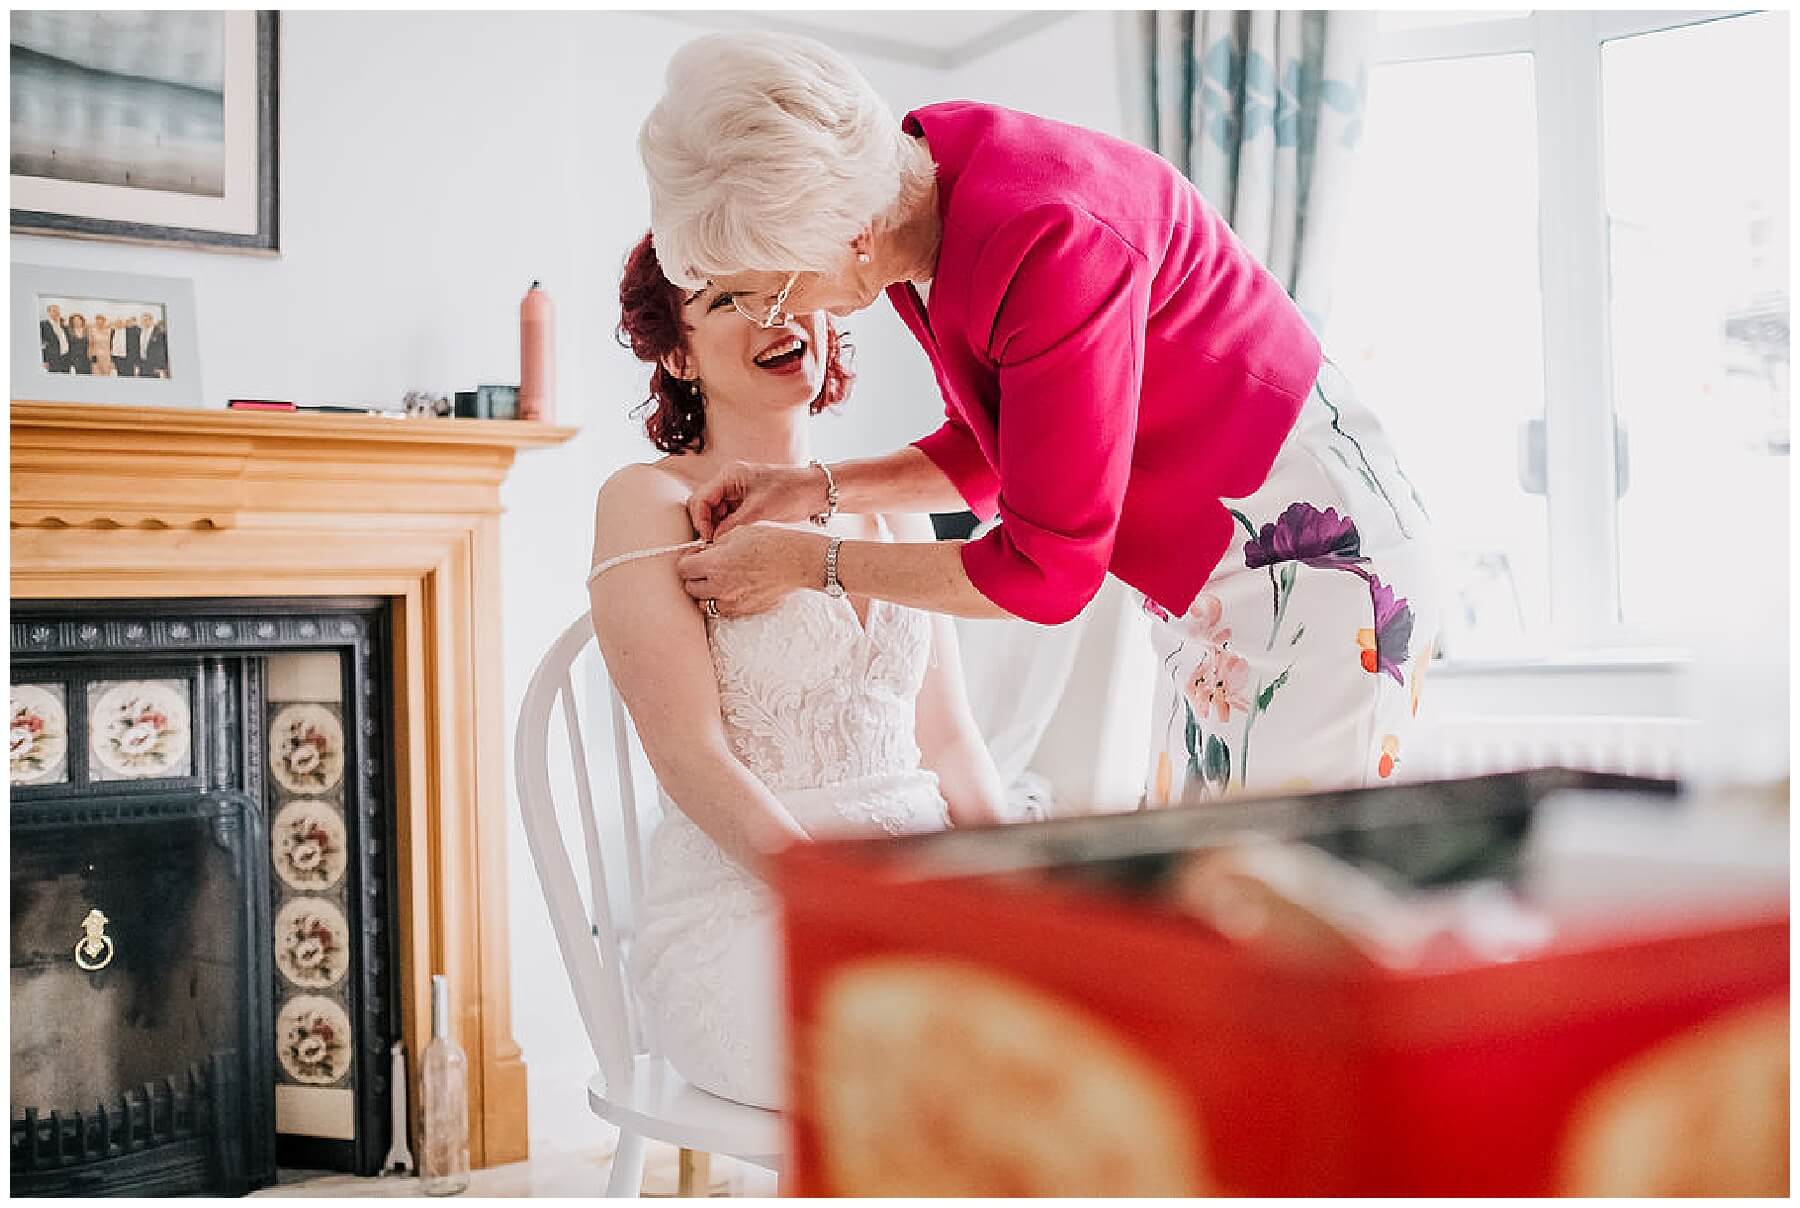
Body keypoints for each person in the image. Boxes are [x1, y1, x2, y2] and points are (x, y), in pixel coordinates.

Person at [637, 33, 1439, 803]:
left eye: (767, 292)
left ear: (849, 235)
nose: (776, 316)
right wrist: (806, 489)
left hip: (1314, 568)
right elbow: (993, 453)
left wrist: (807, 562)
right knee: (1199, 899)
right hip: (1211, 582)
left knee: (1275, 905)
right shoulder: (923, 193)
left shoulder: (1051, 239)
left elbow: (1046, 577)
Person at [586, 231, 1010, 1108]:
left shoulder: (894, 501)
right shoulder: (649, 502)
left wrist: (1030, 886)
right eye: (729, 302)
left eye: (782, 291)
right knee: (952, 1060)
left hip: (921, 892)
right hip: (751, 910)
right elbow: (689, 756)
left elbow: (950, 742)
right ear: (676, 352)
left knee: (1107, 1018)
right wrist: (847, 909)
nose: (772, 320)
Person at [39, 305, 70, 373]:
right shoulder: (43, 325)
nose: (57, 313)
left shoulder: (63, 325)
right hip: (53, 359)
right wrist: (44, 360)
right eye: (54, 311)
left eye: (58, 311)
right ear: (49, 312)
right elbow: (42, 344)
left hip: (65, 358)